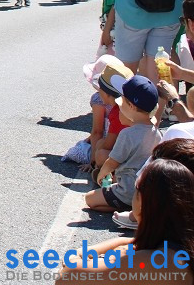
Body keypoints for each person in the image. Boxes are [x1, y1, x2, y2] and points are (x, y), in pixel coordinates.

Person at [63, 158, 194, 281]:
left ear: (143, 202)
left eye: (137, 187)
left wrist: (76, 256)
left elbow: (66, 277)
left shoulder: (150, 261)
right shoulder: (180, 244)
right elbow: (132, 242)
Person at [86, 74, 162, 213]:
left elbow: (112, 162)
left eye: (122, 104)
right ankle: (134, 207)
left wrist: (101, 176)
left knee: (90, 199)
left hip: (127, 189)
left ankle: (127, 205)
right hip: (144, 190)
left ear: (131, 106)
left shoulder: (127, 134)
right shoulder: (156, 132)